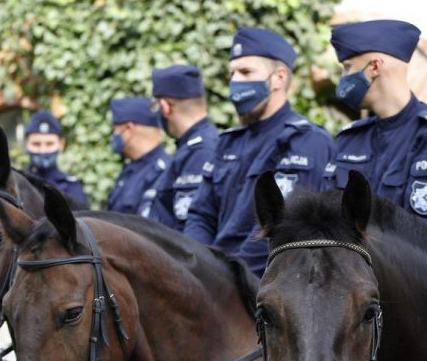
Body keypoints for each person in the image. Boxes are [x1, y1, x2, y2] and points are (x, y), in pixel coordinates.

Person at [184, 26, 335, 275]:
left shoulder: (306, 142)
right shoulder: (228, 142)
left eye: (246, 72)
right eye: (232, 73)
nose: (235, 82)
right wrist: (196, 264)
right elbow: (201, 215)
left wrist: (227, 277)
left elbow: (283, 228)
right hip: (211, 280)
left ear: (279, 78)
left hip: (264, 285)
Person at [328, 19, 427, 250]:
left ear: (374, 67)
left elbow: (425, 239)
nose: (343, 78)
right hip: (351, 281)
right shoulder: (350, 139)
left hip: (419, 284)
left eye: (348, 67)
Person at [148, 64, 218, 231]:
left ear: (165, 106)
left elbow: (190, 228)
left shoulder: (200, 151)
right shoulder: (190, 147)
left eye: (155, 105)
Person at [106, 97, 170, 216]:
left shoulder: (163, 172)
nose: (114, 135)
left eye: (116, 129)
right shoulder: (130, 169)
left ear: (129, 129)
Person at [23, 110, 90, 209]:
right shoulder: (18, 183)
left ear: (61, 145)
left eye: (49, 144)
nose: (43, 150)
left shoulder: (72, 188)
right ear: (26, 144)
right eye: (36, 144)